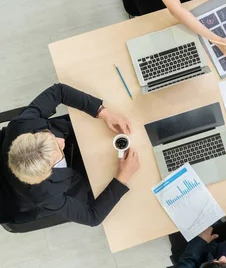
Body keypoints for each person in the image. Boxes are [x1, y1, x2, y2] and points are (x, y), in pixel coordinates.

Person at [0, 84, 140, 227]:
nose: (61, 141)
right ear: (47, 173)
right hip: (75, 177)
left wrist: (103, 113)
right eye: (59, 151)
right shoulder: (45, 194)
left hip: (79, 137)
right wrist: (122, 177)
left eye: (50, 137)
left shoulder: (22, 125)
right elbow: (92, 217)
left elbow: (59, 91)